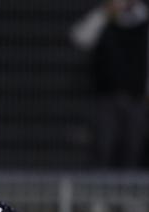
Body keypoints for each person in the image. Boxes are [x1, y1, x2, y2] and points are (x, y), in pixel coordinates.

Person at [70, 0, 149, 167]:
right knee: (103, 146)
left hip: (137, 98)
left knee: (133, 148)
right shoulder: (102, 18)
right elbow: (80, 38)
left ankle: (130, 190)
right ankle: (99, 189)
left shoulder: (144, 20)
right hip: (105, 98)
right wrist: (104, 13)